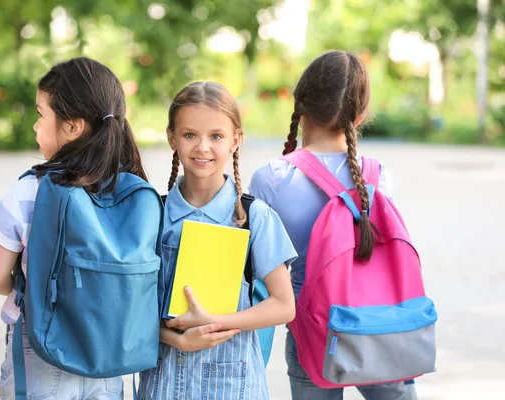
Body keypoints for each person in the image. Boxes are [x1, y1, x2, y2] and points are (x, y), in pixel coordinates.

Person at [249, 50, 417, 400]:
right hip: (379, 325)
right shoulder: (378, 176)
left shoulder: (271, 179)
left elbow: (253, 268)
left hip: (313, 334)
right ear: (360, 115)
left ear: (300, 103)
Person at [0, 57, 154, 400]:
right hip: (108, 354)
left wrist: (27, 287)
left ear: (73, 127)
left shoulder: (30, 191)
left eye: (40, 114)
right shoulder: (131, 190)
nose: (35, 126)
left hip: (42, 350)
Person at [138, 81, 297, 399]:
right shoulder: (150, 215)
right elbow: (132, 309)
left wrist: (216, 321)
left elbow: (283, 306)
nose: (202, 148)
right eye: (189, 135)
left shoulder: (256, 217)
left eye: (216, 136)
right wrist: (177, 340)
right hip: (163, 383)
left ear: (236, 139)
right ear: (172, 137)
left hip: (233, 386)